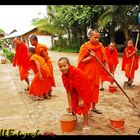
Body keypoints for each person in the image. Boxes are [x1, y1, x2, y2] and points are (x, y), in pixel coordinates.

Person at [77, 29, 110, 114]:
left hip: (96, 73)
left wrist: (109, 72)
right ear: (90, 37)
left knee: (95, 91)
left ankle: (93, 107)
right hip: (87, 73)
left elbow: (105, 60)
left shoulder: (101, 47)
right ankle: (86, 109)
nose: (97, 39)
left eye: (98, 38)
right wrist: (90, 57)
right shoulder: (85, 47)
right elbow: (81, 61)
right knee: (87, 90)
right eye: (95, 37)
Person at [58, 57, 92, 133]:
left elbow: (81, 87)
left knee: (83, 106)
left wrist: (81, 99)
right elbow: (68, 91)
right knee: (73, 104)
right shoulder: (63, 76)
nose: (63, 68)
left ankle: (86, 124)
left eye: (64, 66)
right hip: (74, 90)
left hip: (84, 88)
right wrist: (70, 106)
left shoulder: (76, 72)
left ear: (69, 65)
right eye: (60, 67)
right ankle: (74, 118)